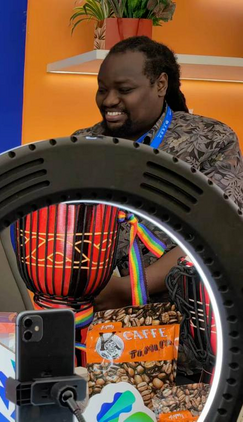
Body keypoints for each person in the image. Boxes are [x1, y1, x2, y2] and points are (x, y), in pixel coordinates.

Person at [73, 36, 243, 311]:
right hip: (97, 311)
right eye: (102, 89)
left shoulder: (211, 139)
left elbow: (222, 233)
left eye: (124, 89)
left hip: (187, 314)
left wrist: (129, 289)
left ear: (161, 84)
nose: (110, 100)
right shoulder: (82, 145)